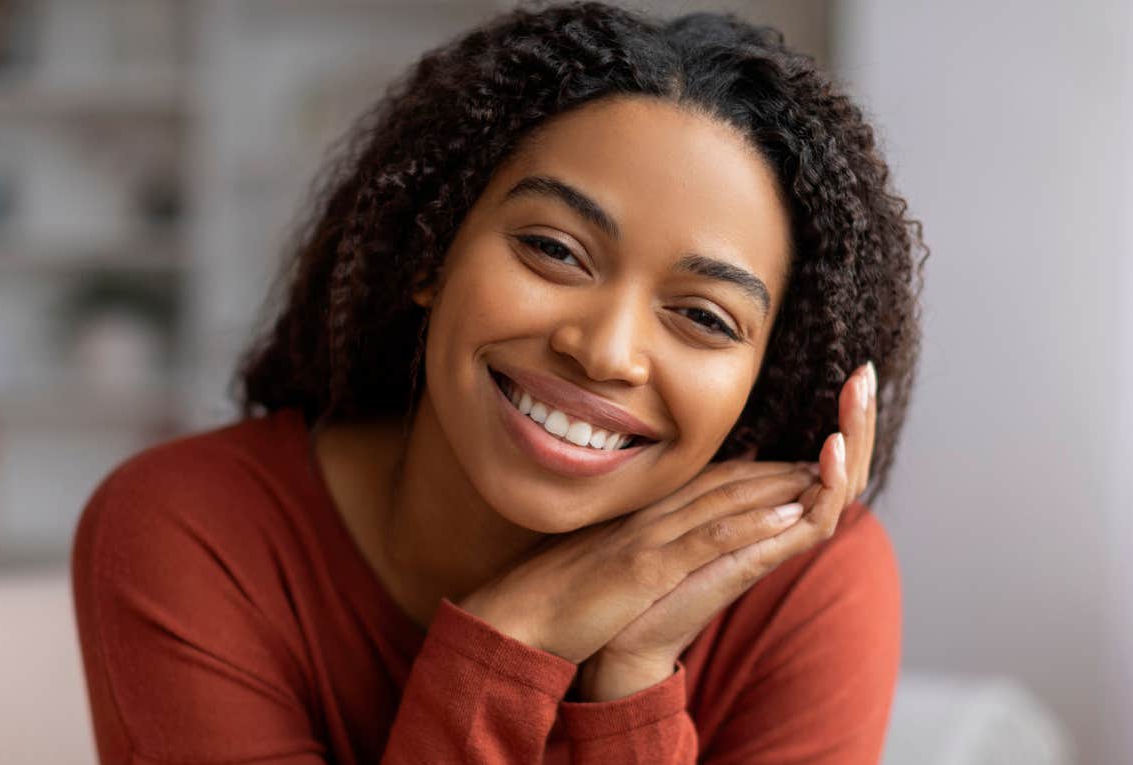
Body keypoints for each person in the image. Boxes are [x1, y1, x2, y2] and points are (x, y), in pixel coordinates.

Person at [71, 3, 927, 763]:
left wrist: (629, 679)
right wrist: (514, 642)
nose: (604, 351)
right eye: (554, 250)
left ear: (759, 377)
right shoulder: (193, 531)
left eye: (704, 316)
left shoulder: (808, 585)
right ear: (432, 250)